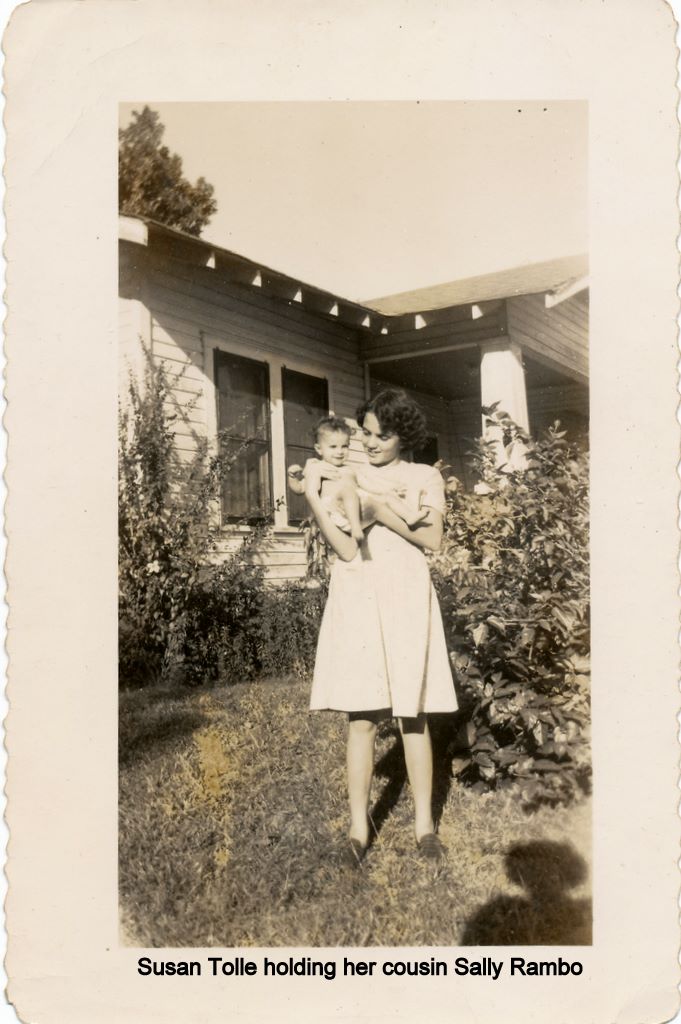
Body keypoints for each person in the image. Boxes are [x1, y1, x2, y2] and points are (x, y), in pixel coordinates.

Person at [303, 389, 458, 868]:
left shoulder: (423, 476)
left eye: (382, 436)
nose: (370, 443)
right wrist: (312, 496)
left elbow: (433, 537)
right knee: (363, 716)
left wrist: (377, 512)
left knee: (413, 715)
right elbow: (346, 548)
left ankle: (425, 828)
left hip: (406, 593)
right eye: (366, 433)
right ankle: (357, 830)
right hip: (359, 594)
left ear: (403, 436)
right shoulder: (345, 474)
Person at [287, 415, 428, 543]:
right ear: (319, 449)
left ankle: (409, 516)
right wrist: (292, 478)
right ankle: (356, 529)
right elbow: (300, 488)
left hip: (359, 513)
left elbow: (369, 485)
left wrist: (391, 488)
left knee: (386, 497)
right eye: (333, 447)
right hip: (336, 513)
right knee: (348, 491)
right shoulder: (317, 467)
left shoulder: (351, 470)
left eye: (344, 446)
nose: (340, 451)